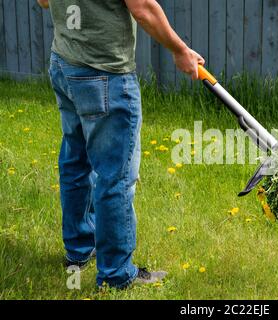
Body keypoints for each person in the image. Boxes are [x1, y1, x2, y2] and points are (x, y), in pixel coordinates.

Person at [37, 0, 205, 289]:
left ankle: (78, 250)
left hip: (64, 63)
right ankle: (116, 274)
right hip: (103, 73)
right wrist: (180, 51)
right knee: (115, 176)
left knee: (76, 162)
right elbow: (143, 8)